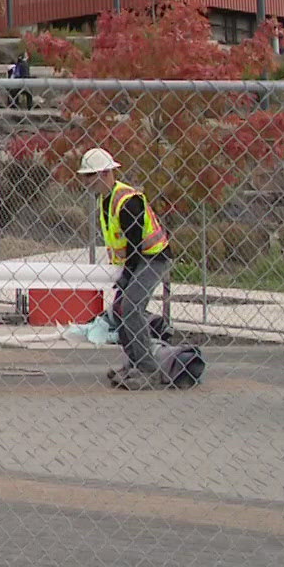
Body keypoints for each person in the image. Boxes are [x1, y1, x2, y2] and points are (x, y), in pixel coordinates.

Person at [77, 148, 173, 390]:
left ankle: (148, 369)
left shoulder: (127, 200)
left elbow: (135, 244)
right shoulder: (107, 200)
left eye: (91, 176)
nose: (87, 181)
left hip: (153, 257)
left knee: (130, 307)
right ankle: (134, 363)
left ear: (106, 173)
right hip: (137, 261)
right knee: (120, 310)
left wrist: (128, 277)